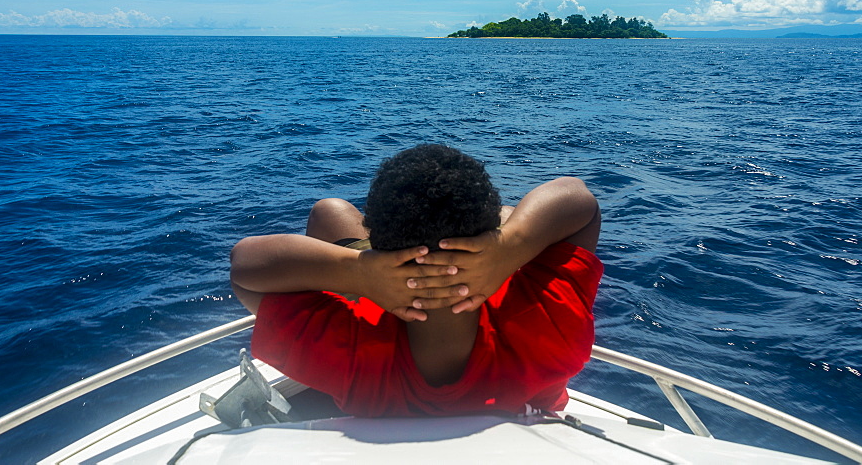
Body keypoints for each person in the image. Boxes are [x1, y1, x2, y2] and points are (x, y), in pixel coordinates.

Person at [229, 144, 602, 417]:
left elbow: (244, 266)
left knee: (329, 212)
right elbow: (579, 200)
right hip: (523, 379)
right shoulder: (551, 334)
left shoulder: (349, 357)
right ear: (493, 235)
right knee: (513, 215)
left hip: (377, 284)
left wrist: (359, 274)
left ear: (378, 239)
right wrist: (512, 245)